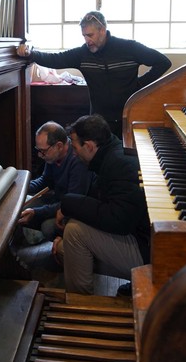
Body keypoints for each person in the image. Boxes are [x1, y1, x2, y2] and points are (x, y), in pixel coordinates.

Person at [17, 10, 172, 138]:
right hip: (100, 122)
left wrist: (139, 85)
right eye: (84, 35)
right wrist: (31, 54)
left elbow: (163, 62)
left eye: (90, 35)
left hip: (129, 116)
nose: (87, 40)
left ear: (102, 30)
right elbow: (55, 59)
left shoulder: (129, 48)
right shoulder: (83, 54)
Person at [55, 114, 150, 295]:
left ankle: (81, 305)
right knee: (64, 245)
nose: (73, 153)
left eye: (75, 147)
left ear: (89, 146)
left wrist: (67, 204)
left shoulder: (119, 164)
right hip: (138, 236)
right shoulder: (110, 154)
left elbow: (118, 221)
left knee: (74, 234)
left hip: (146, 250)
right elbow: (96, 201)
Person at [18, 122, 93, 244]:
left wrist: (37, 212)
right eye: (38, 150)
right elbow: (45, 180)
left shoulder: (78, 161)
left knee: (47, 227)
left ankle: (64, 250)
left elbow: (72, 203)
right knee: (22, 210)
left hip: (73, 208)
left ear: (59, 146)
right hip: (59, 200)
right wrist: (20, 187)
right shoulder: (52, 156)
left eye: (43, 151)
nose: (40, 155)